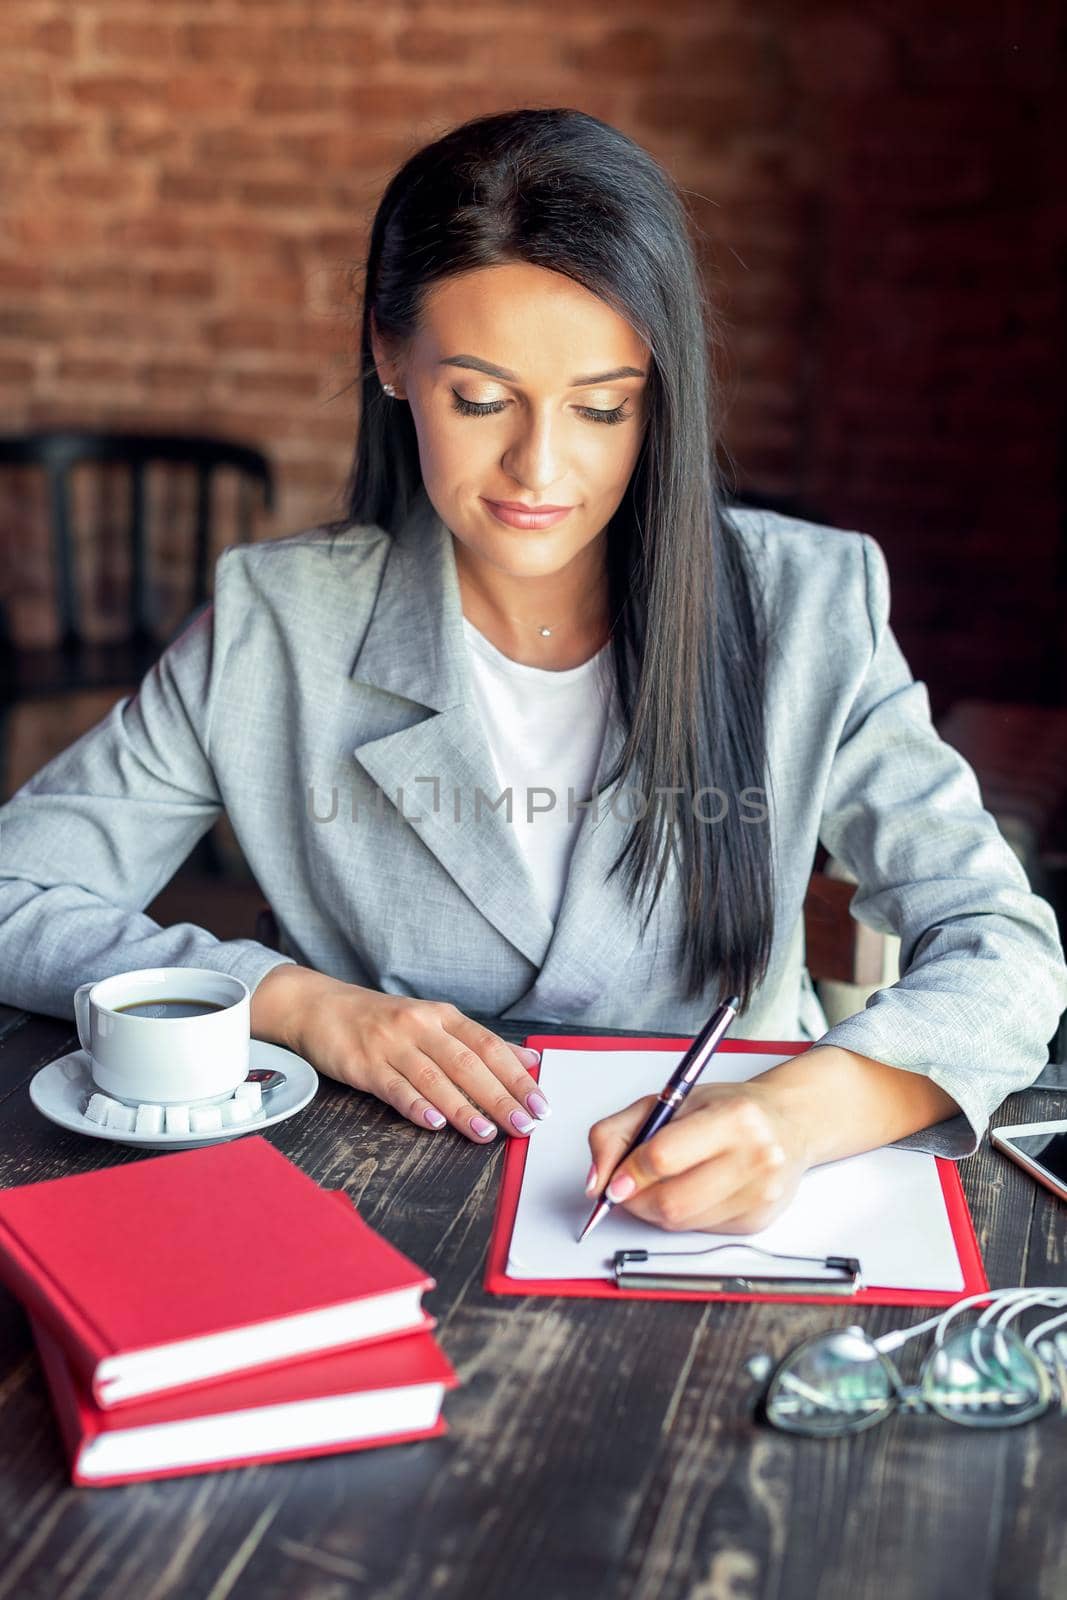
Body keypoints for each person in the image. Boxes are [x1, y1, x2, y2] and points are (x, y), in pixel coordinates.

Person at [1, 108, 1065, 1236]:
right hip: (362, 1217)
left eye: (601, 407)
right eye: (479, 399)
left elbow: (1001, 945)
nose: (540, 468)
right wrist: (297, 1003)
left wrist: (797, 1113)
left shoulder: (807, 606)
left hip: (723, 1222)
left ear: (658, 389)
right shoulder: (278, 624)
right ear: (388, 356)